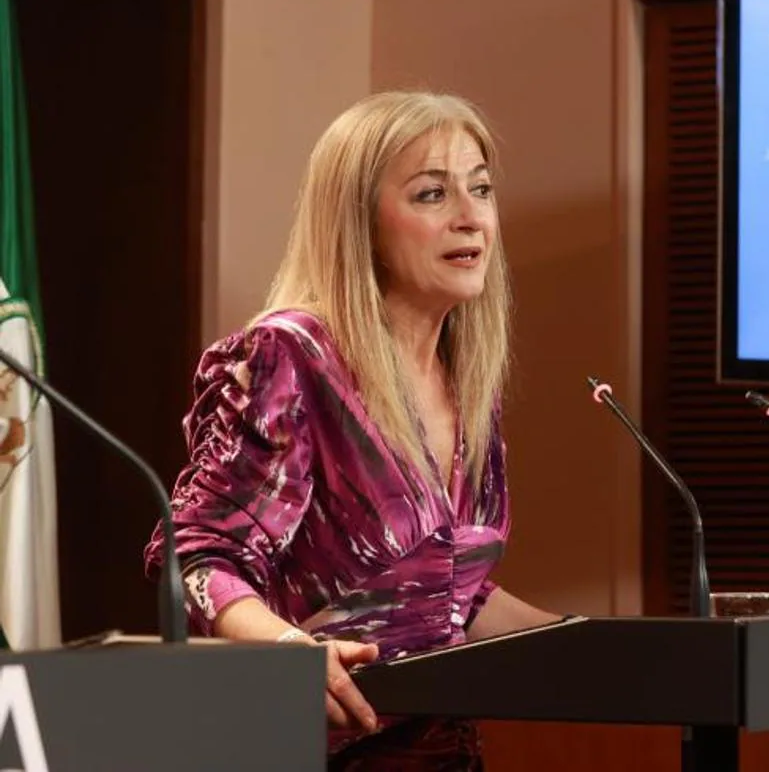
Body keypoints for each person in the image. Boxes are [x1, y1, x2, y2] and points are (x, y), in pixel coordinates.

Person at [144, 91, 564, 770]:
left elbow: (452, 592)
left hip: (443, 753)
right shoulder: (293, 356)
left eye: (480, 189)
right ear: (361, 223)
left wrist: (602, 645)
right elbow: (197, 557)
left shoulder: (466, 382)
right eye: (432, 194)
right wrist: (289, 656)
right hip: (310, 751)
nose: (470, 217)